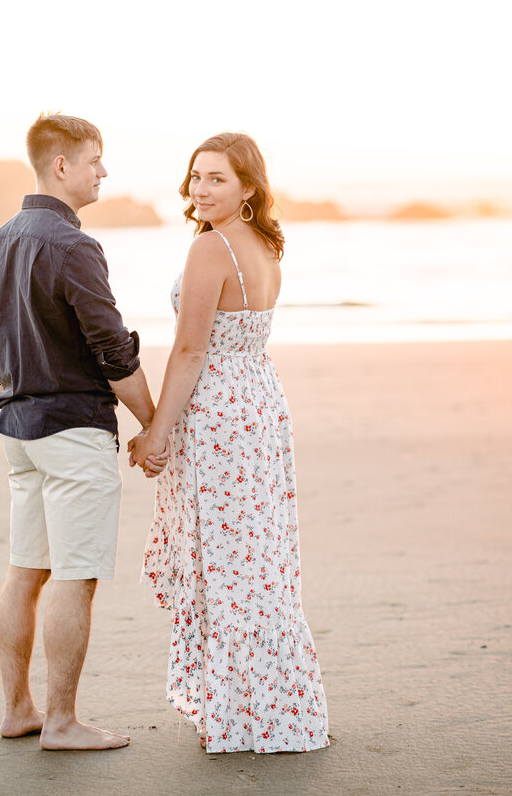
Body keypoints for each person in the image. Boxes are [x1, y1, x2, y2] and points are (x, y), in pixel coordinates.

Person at [132, 132, 330, 753]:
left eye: (216, 178)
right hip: (260, 404)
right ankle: (275, 707)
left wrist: (156, 433)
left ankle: (243, 714)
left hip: (219, 414)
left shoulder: (211, 249)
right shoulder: (265, 244)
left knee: (227, 563)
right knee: (260, 562)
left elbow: (191, 350)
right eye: (195, 177)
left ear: (248, 186)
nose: (201, 189)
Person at [0, 113, 158, 751]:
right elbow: (111, 347)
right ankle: (61, 722)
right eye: (94, 160)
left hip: (17, 427)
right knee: (75, 576)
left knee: (26, 571)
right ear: (62, 167)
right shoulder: (73, 245)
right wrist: (152, 422)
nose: (102, 171)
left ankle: (18, 710)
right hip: (71, 429)